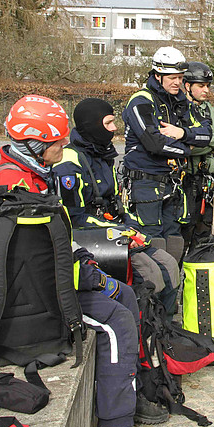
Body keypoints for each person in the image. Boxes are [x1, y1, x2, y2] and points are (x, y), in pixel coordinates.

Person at [0, 95, 168, 427]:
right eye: (58, 140)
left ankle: (138, 383)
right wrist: (93, 280)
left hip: (43, 287)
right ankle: (117, 421)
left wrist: (87, 264)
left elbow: (57, 240)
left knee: (127, 295)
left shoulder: (35, 178)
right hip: (25, 302)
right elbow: (29, 262)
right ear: (35, 143)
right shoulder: (12, 187)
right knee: (115, 321)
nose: (65, 144)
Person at [52, 98, 180, 315]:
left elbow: (118, 203)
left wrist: (131, 226)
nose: (114, 128)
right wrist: (120, 232)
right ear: (92, 125)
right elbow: (73, 218)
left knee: (169, 264)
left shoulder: (103, 155)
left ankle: (163, 325)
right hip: (90, 237)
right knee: (151, 273)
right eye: (109, 123)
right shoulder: (69, 163)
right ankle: (144, 329)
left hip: (113, 231)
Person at [121, 47, 212, 263]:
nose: (177, 83)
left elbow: (207, 134)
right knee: (152, 245)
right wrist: (187, 149)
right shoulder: (141, 101)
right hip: (145, 184)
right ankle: (149, 296)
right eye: (172, 78)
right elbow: (154, 143)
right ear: (157, 75)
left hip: (173, 185)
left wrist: (182, 133)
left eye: (180, 78)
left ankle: (171, 294)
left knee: (174, 242)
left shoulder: (179, 101)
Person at [180, 62, 214, 254]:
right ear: (187, 86)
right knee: (179, 240)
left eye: (208, 85)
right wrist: (208, 142)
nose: (206, 90)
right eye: (201, 85)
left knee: (202, 242)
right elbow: (182, 148)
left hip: (206, 187)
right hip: (182, 186)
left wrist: (199, 141)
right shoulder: (178, 110)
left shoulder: (212, 112)